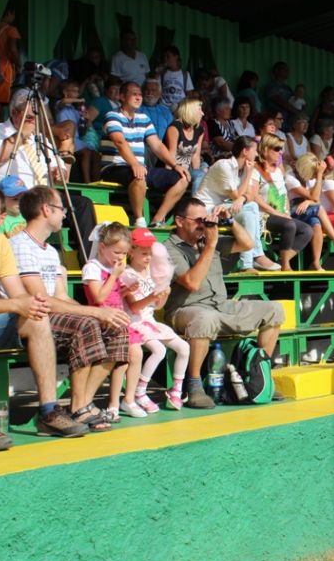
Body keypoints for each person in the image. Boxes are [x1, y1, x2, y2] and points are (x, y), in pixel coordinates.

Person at [0, 185, 88, 450]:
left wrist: (30, 305)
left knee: (36, 317)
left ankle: (49, 411)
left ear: (1, 218)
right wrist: (16, 304)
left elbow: (17, 294)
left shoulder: (0, 243)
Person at [11, 186, 131, 431]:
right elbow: (40, 299)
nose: (64, 214)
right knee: (87, 323)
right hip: (28, 318)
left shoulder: (50, 250)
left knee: (117, 328)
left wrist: (102, 314)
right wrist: (94, 311)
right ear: (46, 210)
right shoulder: (21, 244)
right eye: (61, 209)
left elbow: (61, 297)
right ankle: (79, 407)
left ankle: (83, 404)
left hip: (51, 316)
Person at [164, 196, 286, 409]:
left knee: (274, 309)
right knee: (205, 318)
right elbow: (192, 282)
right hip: (185, 309)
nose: (203, 225)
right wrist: (211, 245)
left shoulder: (208, 238)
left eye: (205, 219)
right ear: (180, 221)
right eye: (198, 220)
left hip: (220, 306)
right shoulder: (168, 248)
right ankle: (194, 386)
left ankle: (259, 376)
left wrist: (230, 221)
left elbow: (247, 244)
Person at [0, 89, 98, 263]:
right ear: (14, 113)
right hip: (11, 196)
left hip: (41, 196)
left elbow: (60, 169)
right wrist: (21, 134)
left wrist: (59, 171)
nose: (33, 122)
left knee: (83, 205)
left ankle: (89, 265)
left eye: (36, 118)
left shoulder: (40, 139)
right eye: (29, 117)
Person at [100, 82, 191, 228]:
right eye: (134, 94)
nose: (138, 97)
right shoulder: (112, 116)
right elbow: (119, 142)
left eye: (139, 94)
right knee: (139, 176)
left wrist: (175, 165)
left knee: (182, 178)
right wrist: (134, 164)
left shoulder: (143, 118)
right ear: (122, 96)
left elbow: (157, 145)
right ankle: (139, 220)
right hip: (114, 167)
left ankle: (157, 220)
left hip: (138, 167)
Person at [121, 228, 190, 412]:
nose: (148, 258)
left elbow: (157, 307)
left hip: (149, 322)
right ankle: (140, 392)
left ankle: (176, 390)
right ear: (131, 251)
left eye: (150, 254)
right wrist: (153, 296)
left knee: (184, 347)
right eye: (144, 253)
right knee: (159, 350)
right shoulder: (127, 274)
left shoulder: (152, 272)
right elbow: (134, 307)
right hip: (133, 323)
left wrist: (163, 295)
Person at [82, 223, 145, 420]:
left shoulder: (111, 267)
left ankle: (129, 399)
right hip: (101, 321)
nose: (120, 257)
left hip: (118, 319)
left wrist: (126, 290)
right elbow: (99, 297)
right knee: (123, 356)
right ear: (102, 247)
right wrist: (115, 275)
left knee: (136, 353)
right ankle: (114, 403)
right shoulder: (92, 268)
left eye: (124, 253)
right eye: (117, 252)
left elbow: (113, 295)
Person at [194, 136, 279, 272]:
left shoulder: (244, 169)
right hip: (205, 210)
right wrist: (247, 179)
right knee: (251, 208)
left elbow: (249, 196)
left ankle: (249, 262)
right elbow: (236, 196)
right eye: (255, 150)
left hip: (221, 209)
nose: (257, 154)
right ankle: (255, 257)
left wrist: (242, 198)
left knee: (252, 208)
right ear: (245, 151)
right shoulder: (224, 165)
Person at [251, 134, 315, 271]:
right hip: (263, 215)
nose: (281, 152)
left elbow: (283, 195)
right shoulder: (255, 169)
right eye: (277, 148)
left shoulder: (278, 171)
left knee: (307, 230)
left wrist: (286, 212)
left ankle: (283, 261)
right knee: (289, 225)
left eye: (281, 149)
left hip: (279, 215)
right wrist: (277, 213)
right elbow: (254, 197)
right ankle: (286, 266)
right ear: (266, 149)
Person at [163, 97, 206, 194]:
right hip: (174, 168)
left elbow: (195, 156)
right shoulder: (175, 128)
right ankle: (195, 202)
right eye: (199, 110)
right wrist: (166, 178)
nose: (203, 113)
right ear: (190, 111)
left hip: (188, 168)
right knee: (200, 175)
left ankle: (198, 200)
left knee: (203, 173)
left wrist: (195, 174)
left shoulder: (199, 129)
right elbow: (170, 155)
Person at [157, 45, 194, 112]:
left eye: (168, 56)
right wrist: (158, 72)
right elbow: (156, 89)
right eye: (164, 57)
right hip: (164, 108)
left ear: (176, 57)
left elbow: (189, 94)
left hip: (179, 109)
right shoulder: (163, 73)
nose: (165, 59)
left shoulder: (185, 74)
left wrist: (182, 106)